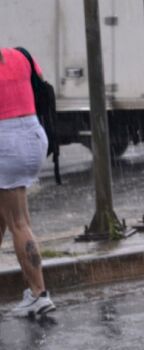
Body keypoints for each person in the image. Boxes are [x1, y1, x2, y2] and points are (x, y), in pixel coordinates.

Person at [0, 47, 55, 317]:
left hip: (5, 142)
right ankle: (35, 292)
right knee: (7, 216)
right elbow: (41, 85)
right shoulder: (21, 54)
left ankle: (38, 293)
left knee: (18, 222)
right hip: (33, 134)